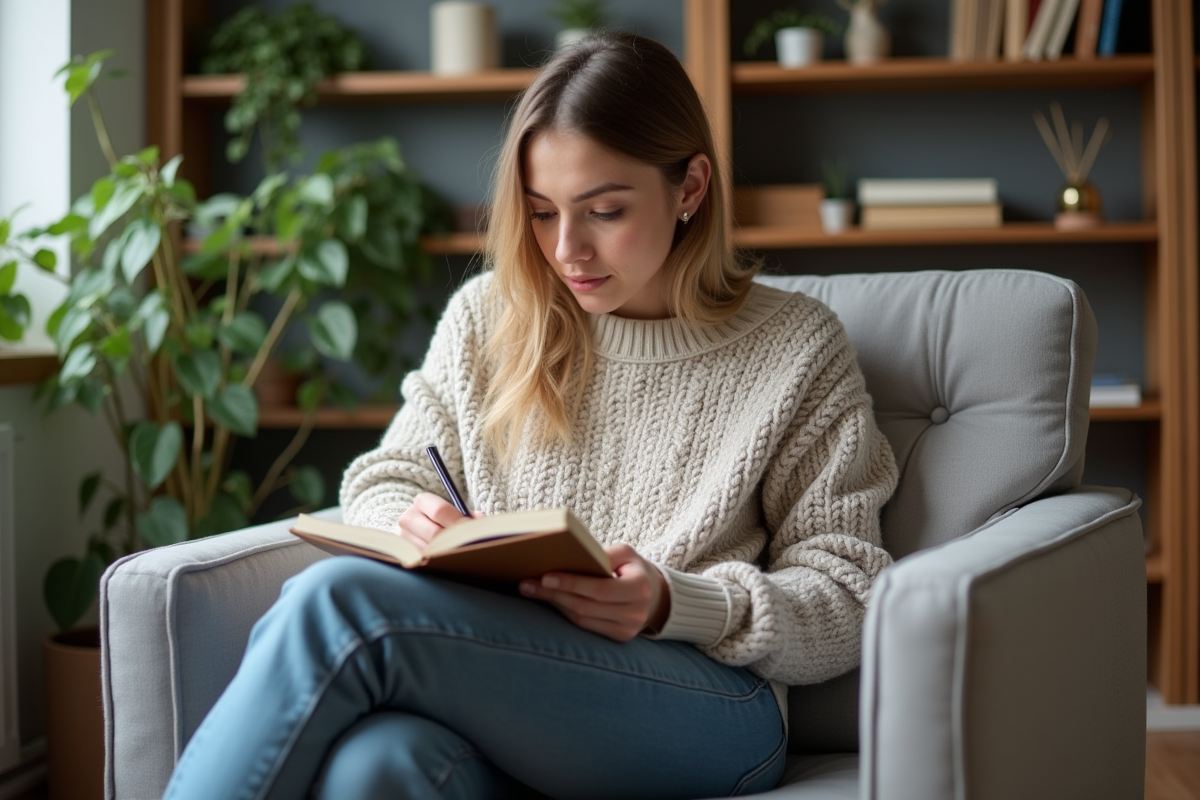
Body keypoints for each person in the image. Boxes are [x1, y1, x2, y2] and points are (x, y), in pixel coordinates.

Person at [162, 31, 899, 800]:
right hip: (516, 681)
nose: (568, 249)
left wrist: (673, 600)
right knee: (378, 765)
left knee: (334, 602)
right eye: (542, 214)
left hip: (713, 701)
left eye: (604, 210)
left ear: (690, 187)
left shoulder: (796, 347)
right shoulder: (489, 318)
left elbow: (848, 593)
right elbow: (389, 474)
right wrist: (413, 519)